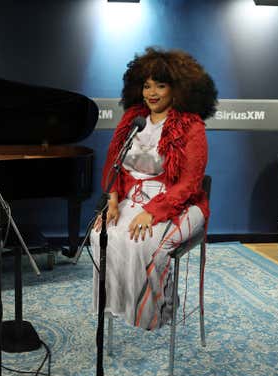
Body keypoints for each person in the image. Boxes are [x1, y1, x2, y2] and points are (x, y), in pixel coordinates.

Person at [91, 47, 218, 330]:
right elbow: (114, 162)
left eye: (161, 85)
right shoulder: (132, 120)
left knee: (144, 244)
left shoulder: (191, 126)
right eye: (147, 85)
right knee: (100, 236)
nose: (152, 93)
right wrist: (112, 201)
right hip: (130, 198)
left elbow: (189, 183)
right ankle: (119, 307)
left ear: (178, 89)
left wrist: (153, 212)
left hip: (178, 202)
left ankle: (157, 312)